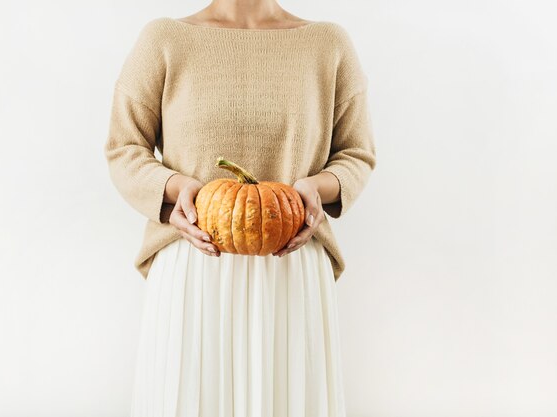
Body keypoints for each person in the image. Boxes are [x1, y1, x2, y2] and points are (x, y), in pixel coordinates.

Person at [103, 1, 377, 416]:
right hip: (194, 266)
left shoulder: (328, 44)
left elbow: (356, 154)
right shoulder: (164, 40)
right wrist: (176, 189)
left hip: (292, 267)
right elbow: (124, 148)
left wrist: (315, 188)